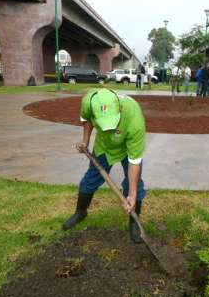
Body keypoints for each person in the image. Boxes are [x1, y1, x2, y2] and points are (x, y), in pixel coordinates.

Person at [62, 89, 147, 244]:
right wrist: (85, 141)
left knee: (134, 185)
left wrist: (132, 195)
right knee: (91, 178)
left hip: (127, 148)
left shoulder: (135, 119)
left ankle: (134, 222)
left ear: (120, 109)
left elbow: (134, 162)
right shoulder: (89, 101)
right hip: (104, 146)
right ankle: (80, 212)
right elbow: (87, 119)